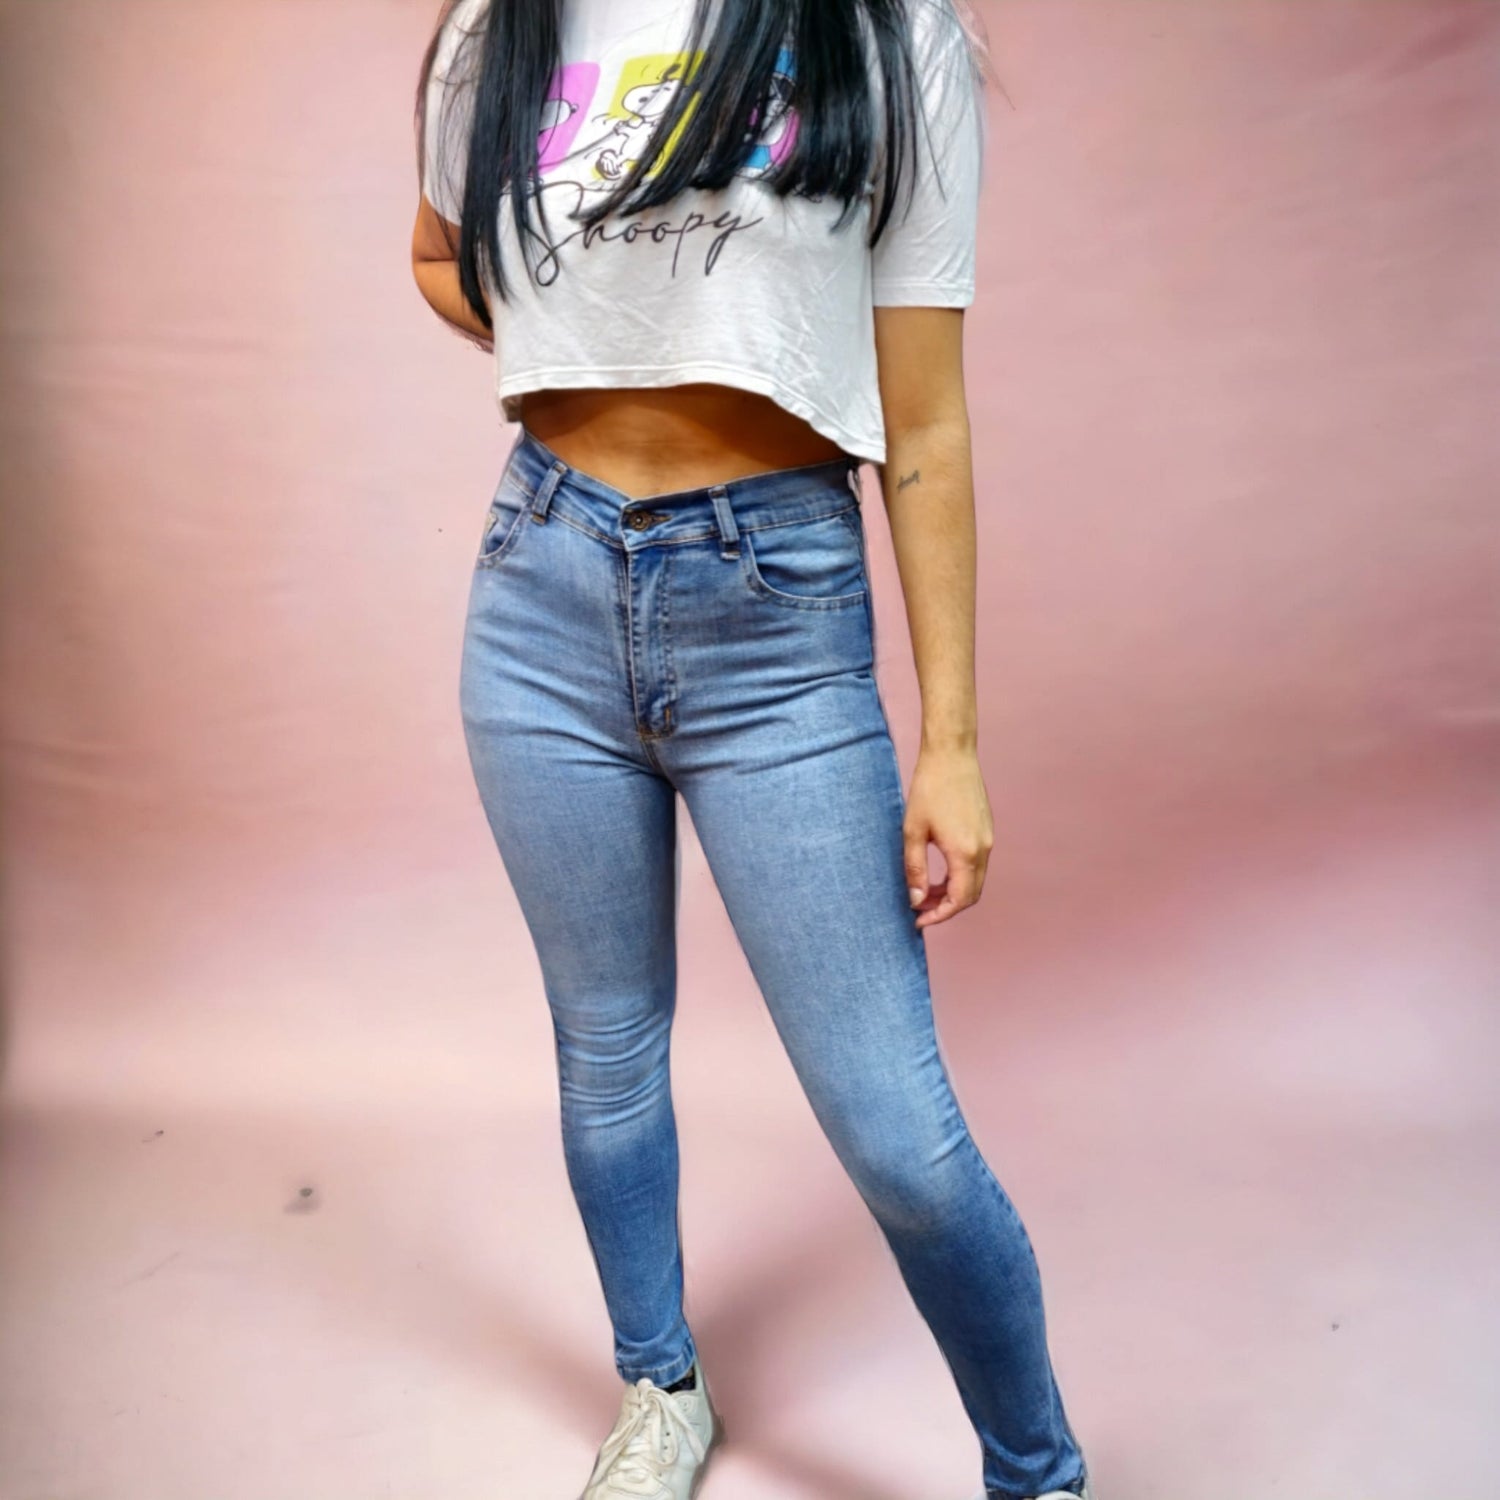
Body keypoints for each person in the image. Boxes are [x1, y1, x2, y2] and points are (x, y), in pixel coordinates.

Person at [410, 2, 1094, 1497]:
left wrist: (953, 741)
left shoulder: (891, 34)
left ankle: (1037, 1473)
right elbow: (436, 251)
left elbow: (925, 422)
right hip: (542, 580)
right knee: (606, 1051)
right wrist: (588, 326)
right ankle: (660, 1386)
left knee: (897, 1131)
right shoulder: (501, 25)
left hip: (775, 609)